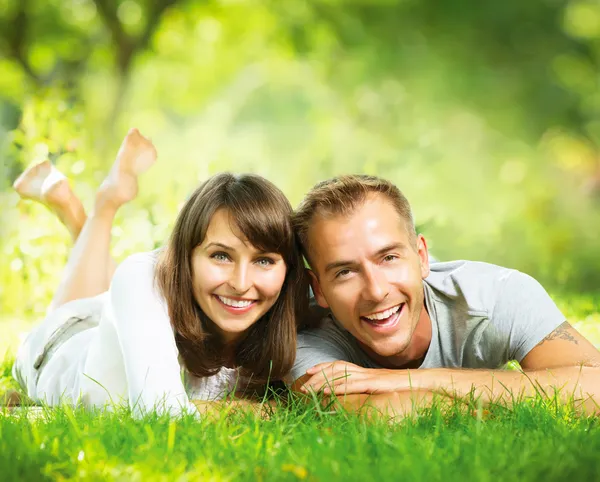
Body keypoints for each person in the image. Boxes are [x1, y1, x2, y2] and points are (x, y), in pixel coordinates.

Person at [12, 129, 308, 416]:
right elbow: (163, 413)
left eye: (264, 261)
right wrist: (269, 410)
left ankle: (77, 214)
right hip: (63, 343)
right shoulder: (142, 275)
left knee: (118, 294)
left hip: (124, 312)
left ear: (289, 267)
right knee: (93, 302)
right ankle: (104, 204)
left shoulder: (300, 301)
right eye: (221, 255)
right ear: (185, 255)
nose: (242, 284)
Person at [290, 175, 600, 416]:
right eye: (345, 272)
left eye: (389, 258)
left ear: (421, 256)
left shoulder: (495, 297)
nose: (376, 290)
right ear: (318, 289)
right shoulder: (300, 335)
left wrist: (401, 381)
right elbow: (386, 415)